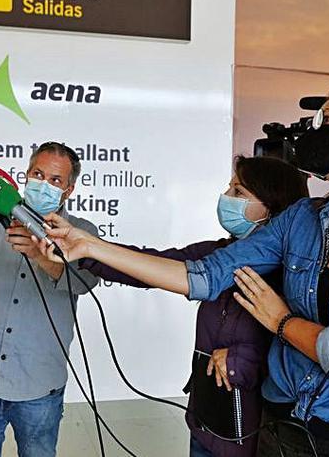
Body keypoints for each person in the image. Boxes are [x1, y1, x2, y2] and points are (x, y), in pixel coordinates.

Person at [36, 86, 329, 456]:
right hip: (281, 425)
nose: (314, 133)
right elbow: (202, 275)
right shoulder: (301, 218)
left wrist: (281, 321)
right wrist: (89, 244)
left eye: (328, 120)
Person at [75, 155, 308, 457]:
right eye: (229, 188)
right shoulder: (216, 254)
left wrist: (244, 359)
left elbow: (298, 347)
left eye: (239, 192)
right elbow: (152, 264)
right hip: (205, 422)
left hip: (251, 437)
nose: (226, 197)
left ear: (272, 208)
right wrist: (85, 250)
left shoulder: (293, 274)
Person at [0, 142, 100, 457]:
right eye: (38, 174)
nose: (44, 184)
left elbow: (85, 281)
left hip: (39, 384)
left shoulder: (83, 232)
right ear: (26, 175)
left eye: (55, 180)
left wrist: (42, 256)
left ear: (68, 190)